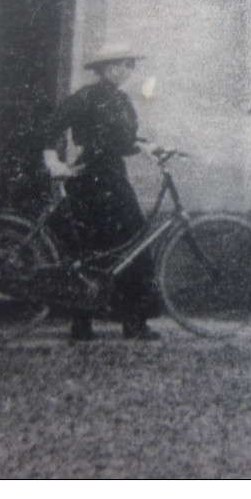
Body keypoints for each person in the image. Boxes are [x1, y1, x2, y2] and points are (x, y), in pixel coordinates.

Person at [42, 43, 160, 342]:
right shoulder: (84, 98)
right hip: (87, 179)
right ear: (105, 68)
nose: (128, 71)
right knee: (92, 252)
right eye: (123, 64)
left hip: (113, 178)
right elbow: (50, 128)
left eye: (130, 65)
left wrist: (148, 147)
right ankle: (83, 324)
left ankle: (131, 322)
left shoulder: (121, 100)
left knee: (126, 249)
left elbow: (124, 141)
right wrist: (54, 162)